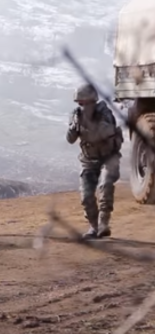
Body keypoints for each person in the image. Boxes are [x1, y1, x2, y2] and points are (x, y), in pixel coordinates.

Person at [66, 83, 124, 239]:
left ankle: (103, 223)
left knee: (105, 186)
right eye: (80, 103)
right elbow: (70, 140)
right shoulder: (76, 115)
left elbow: (109, 132)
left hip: (108, 158)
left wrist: (95, 124)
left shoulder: (104, 113)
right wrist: (73, 127)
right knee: (86, 196)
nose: (83, 107)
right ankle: (93, 226)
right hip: (89, 160)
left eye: (86, 103)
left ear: (93, 101)